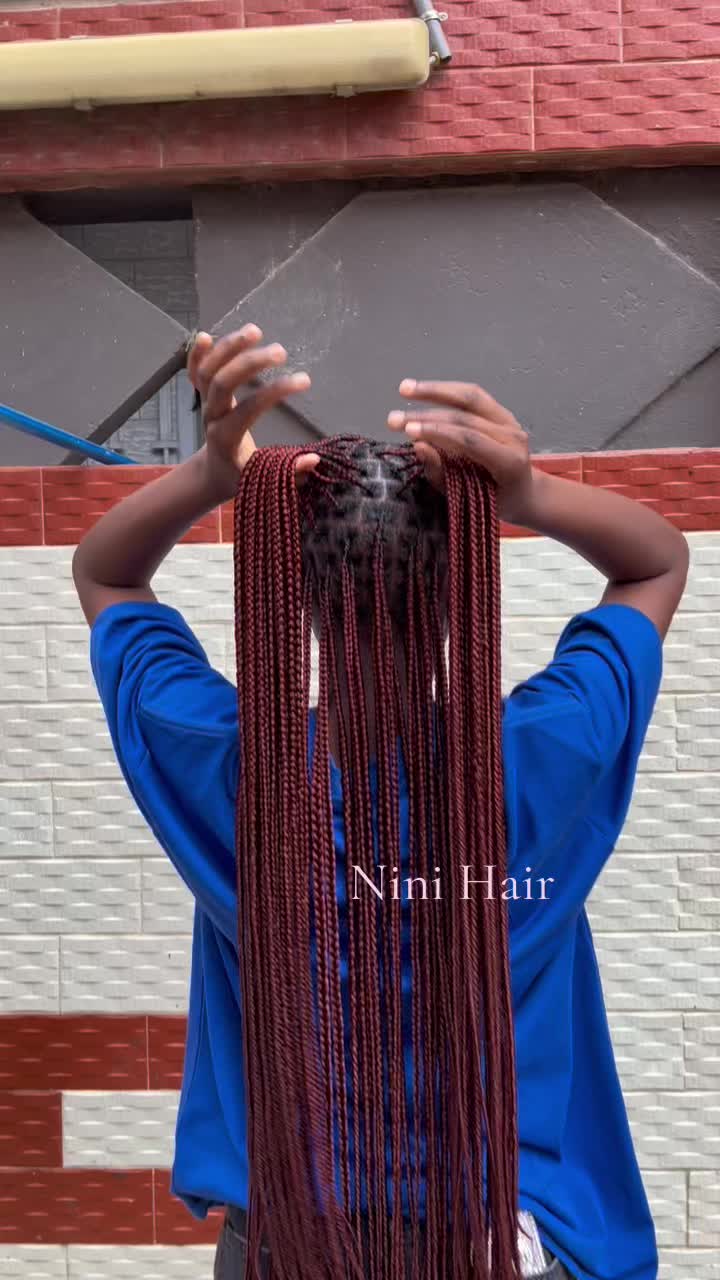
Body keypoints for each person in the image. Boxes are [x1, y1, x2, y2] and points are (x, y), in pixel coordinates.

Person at [75, 325, 689, 1280]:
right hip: (500, 1242)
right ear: (458, 586)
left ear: (297, 593)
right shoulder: (546, 751)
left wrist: (213, 474)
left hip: (289, 1245)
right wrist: (526, 491)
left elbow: (107, 573)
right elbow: (654, 562)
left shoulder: (231, 773)